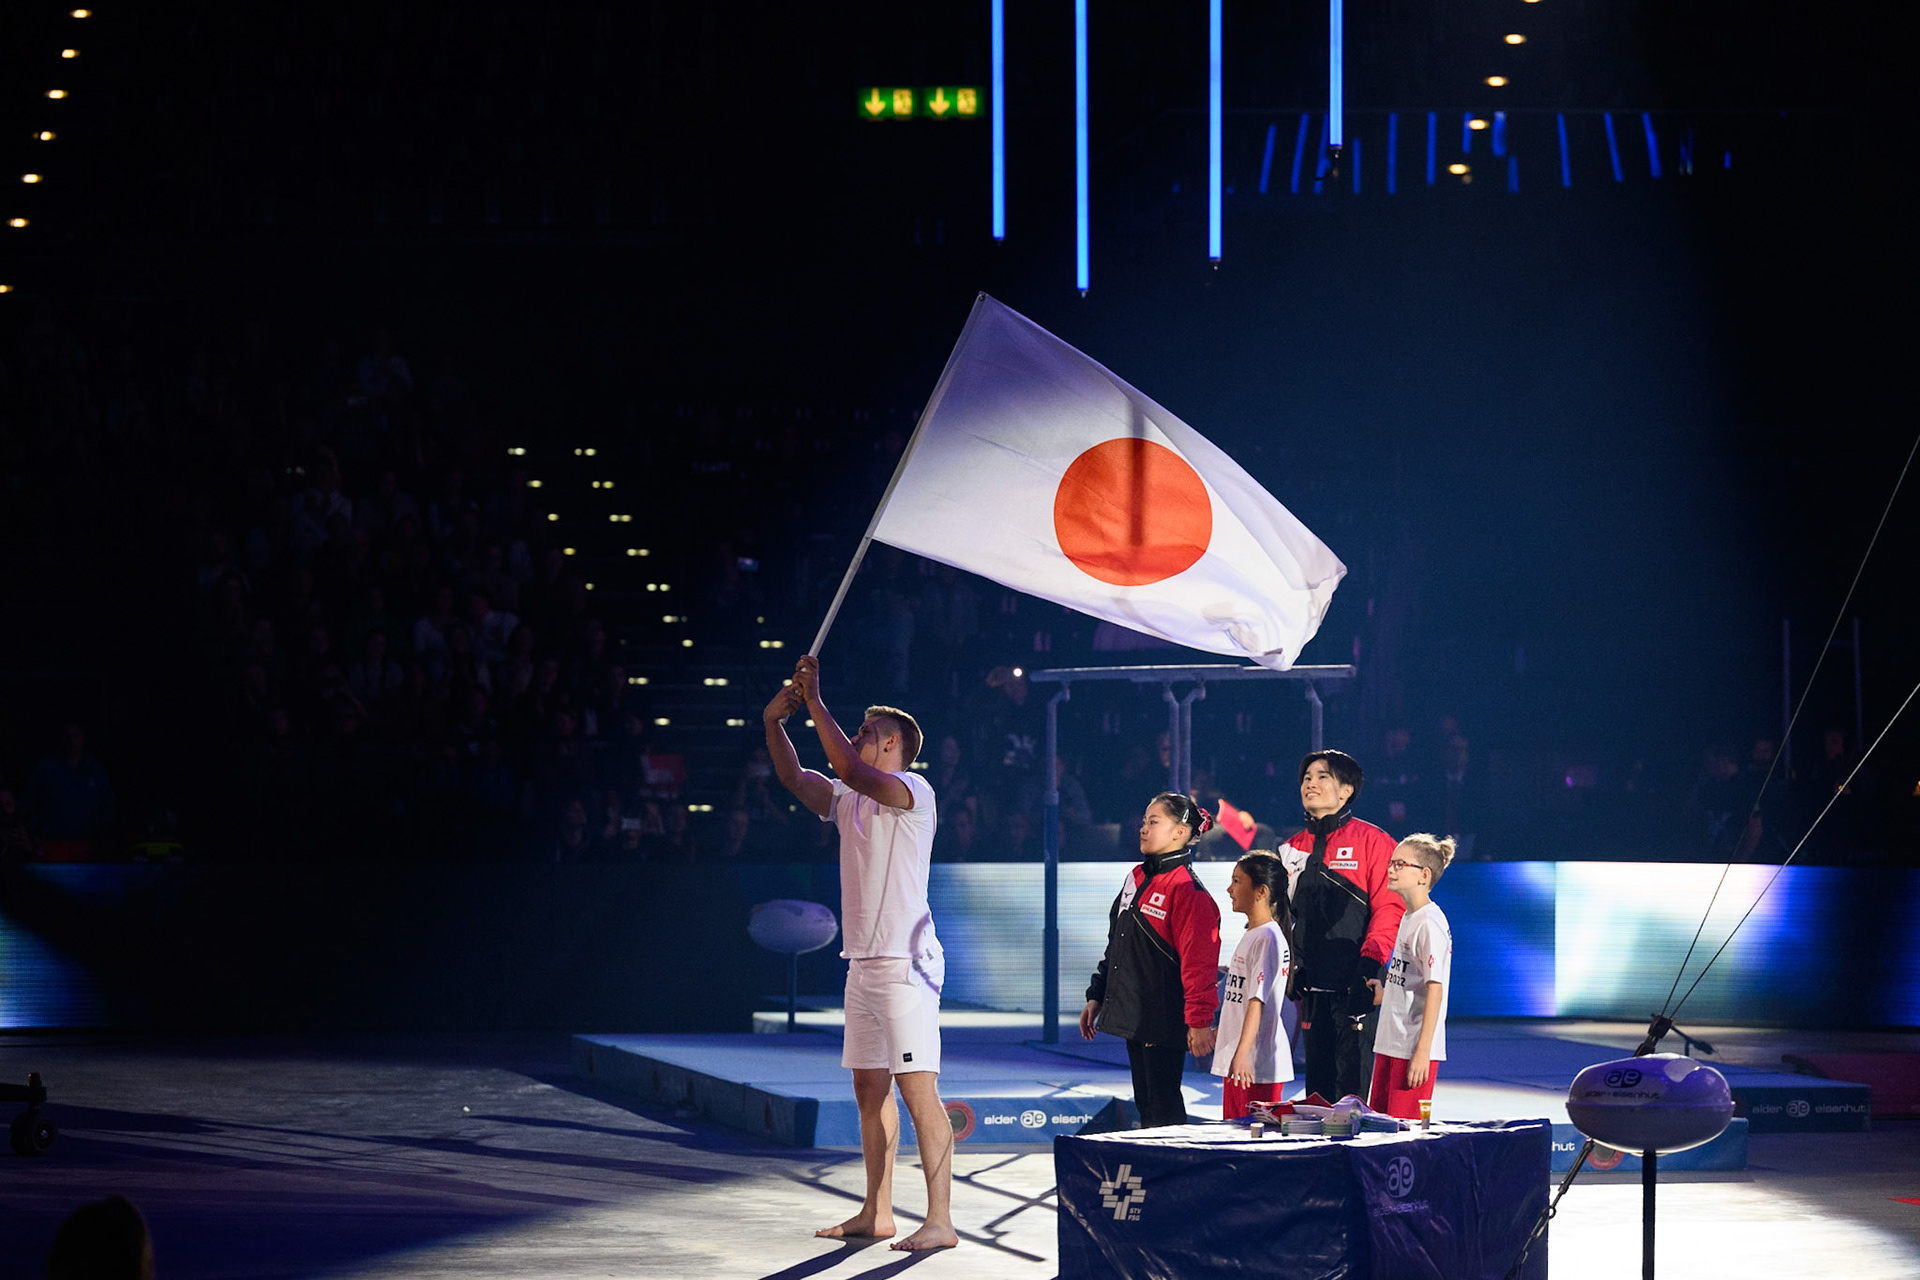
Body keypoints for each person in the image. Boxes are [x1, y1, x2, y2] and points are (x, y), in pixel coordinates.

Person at [763, 653, 956, 1252]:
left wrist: (814, 700)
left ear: (892, 742)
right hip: (864, 964)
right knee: (869, 1092)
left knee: (918, 1090)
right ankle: (876, 1212)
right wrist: (774, 723)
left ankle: (941, 1221)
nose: (855, 736)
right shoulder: (850, 801)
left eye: (867, 730)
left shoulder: (912, 792)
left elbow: (843, 764)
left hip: (907, 964)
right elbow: (798, 778)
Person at [1081, 792, 1222, 1128]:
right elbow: (1116, 944)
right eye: (1144, 821)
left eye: (1154, 822)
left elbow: (1199, 965)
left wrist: (1200, 1022)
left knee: (1163, 1107)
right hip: (1136, 1015)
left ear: (1180, 832)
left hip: (1162, 1018)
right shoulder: (1137, 878)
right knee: (1147, 1104)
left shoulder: (1189, 892)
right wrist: (1096, 994)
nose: (1143, 829)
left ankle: (1175, 1175)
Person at [1283, 750, 1404, 1102]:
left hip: (1355, 987)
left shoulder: (1375, 843)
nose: (1311, 784)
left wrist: (1368, 968)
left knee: (1351, 1097)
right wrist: (1293, 968)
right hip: (1311, 991)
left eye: (1322, 777)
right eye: (1306, 777)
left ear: (1346, 790)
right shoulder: (1291, 849)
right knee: (1316, 1096)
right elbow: (1283, 918)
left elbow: (1389, 910)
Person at [1368, 833, 1455, 1120]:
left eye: (1400, 864)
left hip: (1411, 1050)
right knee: (1378, 1132)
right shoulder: (1409, 916)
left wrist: (1422, 1053)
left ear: (1424, 875)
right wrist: (1385, 992)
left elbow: (1435, 988)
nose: (1390, 869)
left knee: (1405, 1140)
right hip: (1390, 1043)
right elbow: (1410, 979)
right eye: (1392, 863)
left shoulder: (1429, 923)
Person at [1212, 850, 1295, 1119]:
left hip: (1254, 1065)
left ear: (1261, 892)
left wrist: (1243, 1054)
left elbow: (1257, 1002)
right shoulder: (1255, 934)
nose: (1229, 889)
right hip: (1239, 1060)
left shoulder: (1268, 937)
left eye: (1237, 881)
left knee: (1251, 1143)